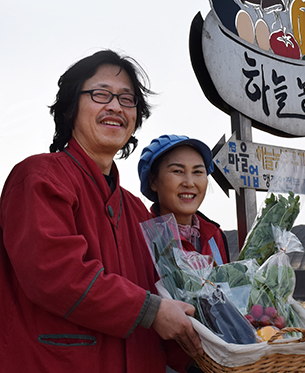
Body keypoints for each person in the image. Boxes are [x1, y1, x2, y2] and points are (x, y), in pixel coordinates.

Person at [0, 50, 201, 372]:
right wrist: (150, 311)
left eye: (127, 99)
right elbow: (54, 273)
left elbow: (168, 285)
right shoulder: (38, 178)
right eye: (100, 94)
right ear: (69, 108)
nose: (115, 106)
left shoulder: (137, 210)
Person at [138, 134, 230, 265]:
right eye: (177, 171)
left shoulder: (215, 236)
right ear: (153, 181)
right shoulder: (142, 236)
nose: (190, 183)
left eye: (197, 172)